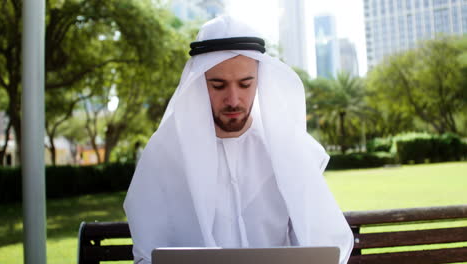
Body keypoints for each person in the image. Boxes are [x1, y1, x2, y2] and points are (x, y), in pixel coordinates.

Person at [124, 15, 354, 264]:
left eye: (245, 84)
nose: (233, 99)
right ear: (198, 84)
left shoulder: (288, 149)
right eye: (218, 85)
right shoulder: (163, 155)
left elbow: (320, 243)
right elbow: (147, 256)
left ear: (259, 81)